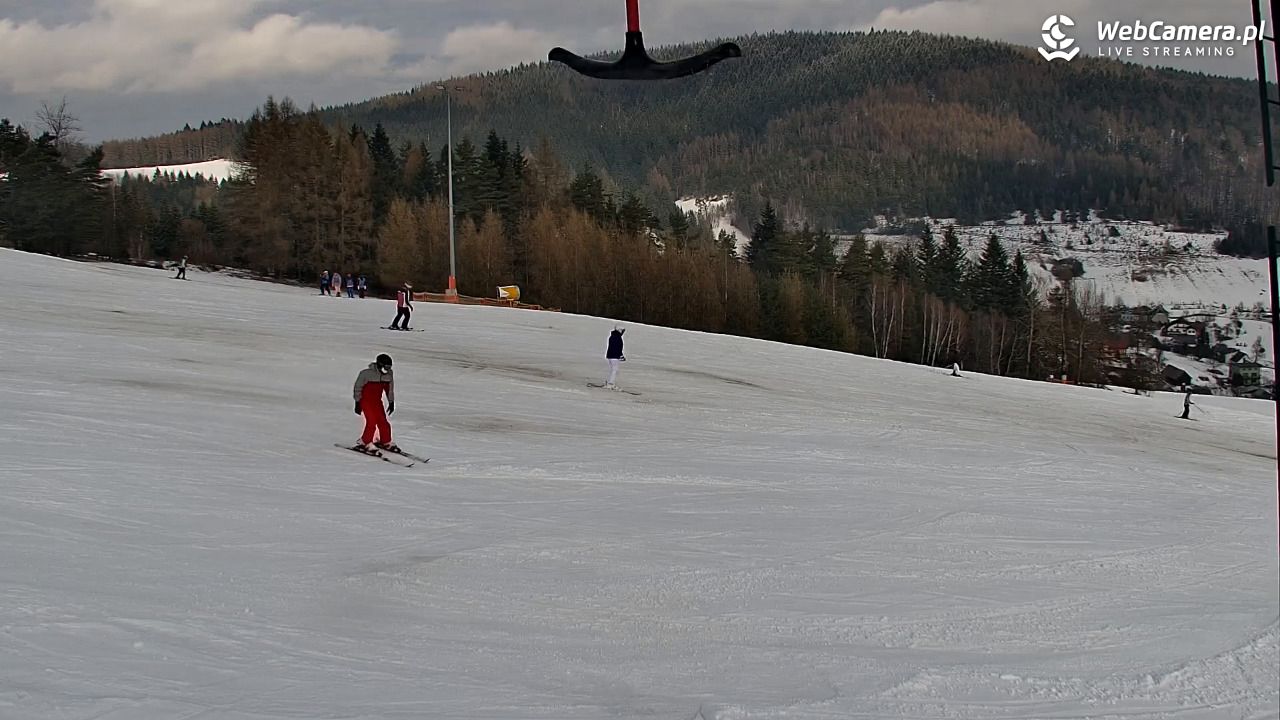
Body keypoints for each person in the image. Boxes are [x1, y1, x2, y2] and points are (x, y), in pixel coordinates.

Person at [353, 353, 399, 453]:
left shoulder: (388, 375)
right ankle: (364, 442)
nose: (387, 369)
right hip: (365, 401)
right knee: (371, 421)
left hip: (377, 402)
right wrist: (357, 402)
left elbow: (389, 389)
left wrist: (391, 402)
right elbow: (358, 388)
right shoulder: (366, 374)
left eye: (389, 367)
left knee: (383, 421)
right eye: (385, 367)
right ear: (379, 365)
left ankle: (385, 441)